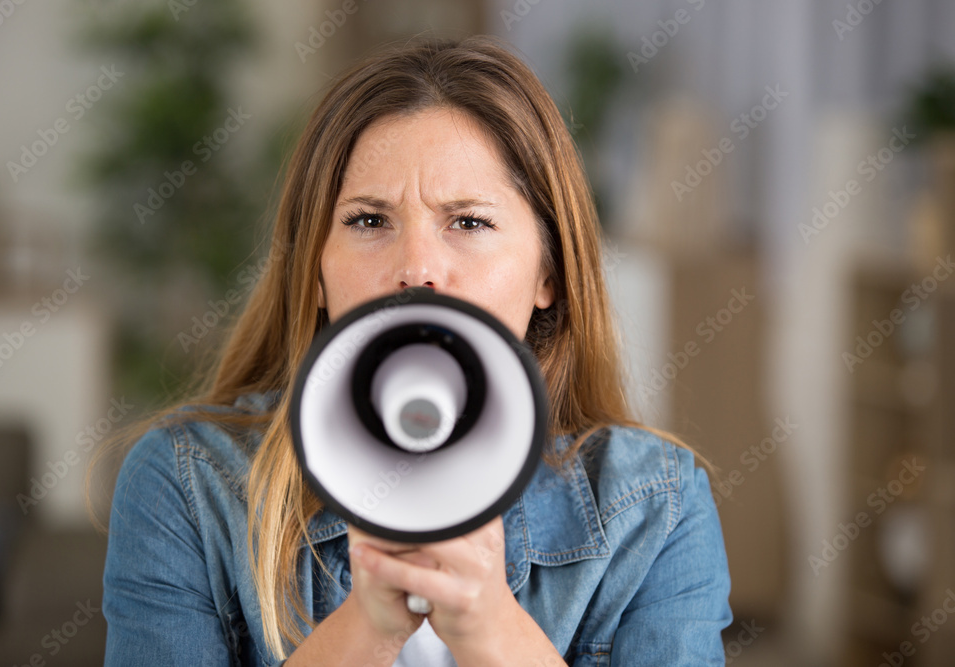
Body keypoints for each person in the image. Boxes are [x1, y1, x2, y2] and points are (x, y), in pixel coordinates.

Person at [98, 35, 732, 666]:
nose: (417, 270)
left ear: (549, 272)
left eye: (469, 222)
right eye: (369, 221)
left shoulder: (657, 505)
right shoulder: (185, 484)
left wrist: (490, 628)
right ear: (315, 267)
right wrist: (369, 624)